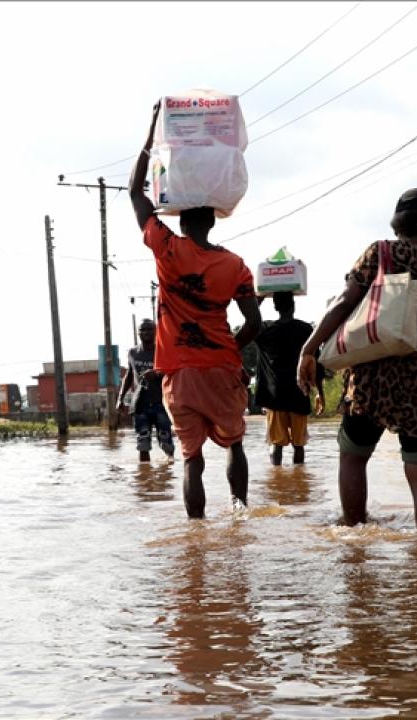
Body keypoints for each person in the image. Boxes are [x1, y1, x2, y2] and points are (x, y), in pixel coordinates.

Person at [297, 188, 417, 529]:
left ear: (398, 221)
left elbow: (344, 302)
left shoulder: (381, 252)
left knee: (353, 456)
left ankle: (355, 537)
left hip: (374, 380)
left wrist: (309, 348)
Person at [128, 101, 262, 518]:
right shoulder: (235, 265)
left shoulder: (167, 250)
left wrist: (151, 131)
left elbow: (135, 192)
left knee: (192, 459)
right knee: (235, 442)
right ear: (213, 222)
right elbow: (254, 323)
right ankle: (240, 513)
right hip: (221, 367)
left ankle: (196, 533)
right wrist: (231, 351)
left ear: (182, 221)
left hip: (180, 374)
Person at [255, 291, 325, 466]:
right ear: (293, 306)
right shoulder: (305, 330)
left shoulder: (266, 331)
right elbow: (316, 364)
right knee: (299, 446)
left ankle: (276, 480)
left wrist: (256, 302)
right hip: (298, 394)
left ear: (275, 307)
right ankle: (299, 480)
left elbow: (250, 325)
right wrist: (320, 394)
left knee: (276, 444)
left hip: (274, 397)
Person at [116, 317, 175, 462]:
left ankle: (168, 473)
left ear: (156, 332)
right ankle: (144, 477)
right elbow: (129, 376)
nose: (146, 332)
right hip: (140, 404)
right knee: (143, 443)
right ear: (138, 333)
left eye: (150, 329)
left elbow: (173, 372)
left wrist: (156, 373)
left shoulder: (162, 351)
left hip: (161, 404)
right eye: (143, 330)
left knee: (166, 443)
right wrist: (120, 399)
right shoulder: (132, 353)